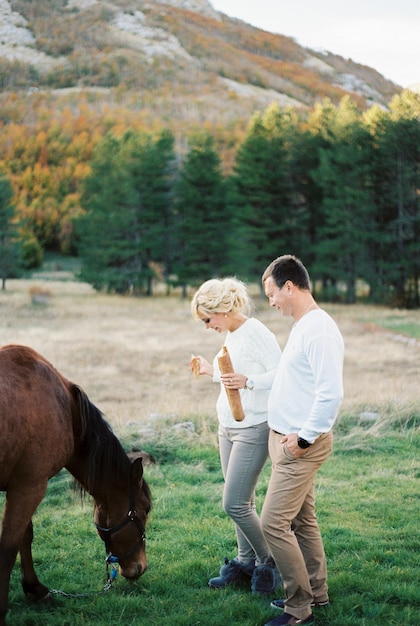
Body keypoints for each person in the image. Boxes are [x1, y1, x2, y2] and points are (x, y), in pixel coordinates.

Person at [260, 255, 344, 626]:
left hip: (299, 447)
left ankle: (299, 607)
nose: (271, 301)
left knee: (273, 523)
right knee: (302, 521)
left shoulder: (319, 329)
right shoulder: (304, 325)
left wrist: (304, 440)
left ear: (289, 286)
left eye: (272, 293)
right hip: (286, 442)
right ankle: (318, 593)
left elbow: (331, 394)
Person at [190, 277, 282, 595]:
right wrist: (210, 370)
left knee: (234, 504)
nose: (206, 326)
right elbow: (232, 376)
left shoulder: (255, 331)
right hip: (226, 427)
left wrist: (250, 382)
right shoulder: (232, 333)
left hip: (253, 428)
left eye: (206, 319)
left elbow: (281, 372)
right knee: (243, 500)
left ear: (221, 310)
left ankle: (269, 562)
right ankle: (245, 563)